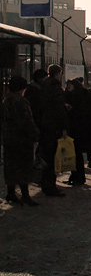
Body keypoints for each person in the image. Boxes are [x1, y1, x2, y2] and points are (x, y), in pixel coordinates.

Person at [2, 76, 40, 206]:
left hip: (9, 138)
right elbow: (26, 122)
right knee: (23, 166)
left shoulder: (6, 100)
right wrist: (35, 134)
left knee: (11, 166)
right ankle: (25, 195)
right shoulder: (21, 102)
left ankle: (11, 192)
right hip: (21, 139)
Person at [39, 64, 69, 197]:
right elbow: (58, 109)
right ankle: (50, 186)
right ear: (58, 73)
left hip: (44, 124)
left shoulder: (43, 85)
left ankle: (45, 183)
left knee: (46, 156)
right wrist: (64, 127)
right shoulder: (56, 87)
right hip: (53, 126)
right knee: (52, 157)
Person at [65, 78, 89, 186]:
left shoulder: (79, 97)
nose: (68, 88)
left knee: (77, 154)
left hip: (77, 129)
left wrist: (71, 109)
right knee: (74, 154)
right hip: (76, 129)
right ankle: (75, 176)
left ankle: (78, 176)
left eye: (70, 86)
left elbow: (81, 113)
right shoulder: (75, 96)